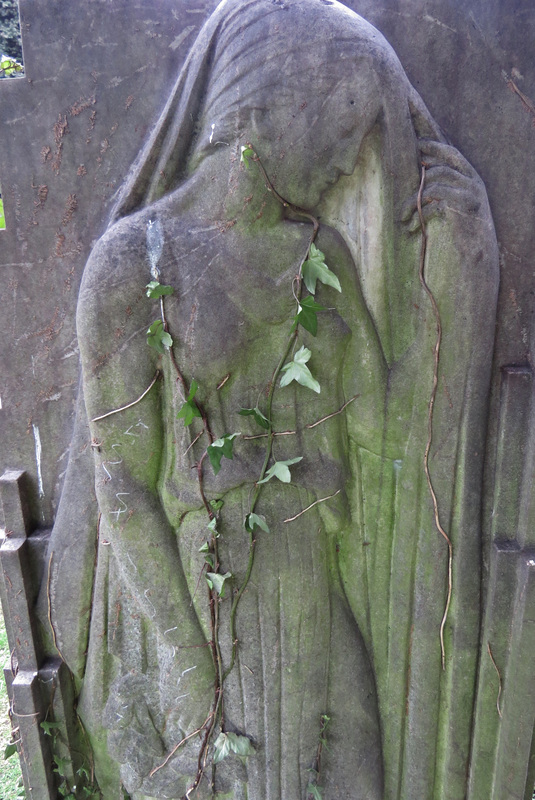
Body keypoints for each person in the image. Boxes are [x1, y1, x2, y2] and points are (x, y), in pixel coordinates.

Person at [43, 0, 499, 797]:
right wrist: (189, 665)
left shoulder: (317, 256)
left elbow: (385, 437)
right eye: (336, 125)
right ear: (264, 103)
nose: (347, 158)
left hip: (317, 612)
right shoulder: (133, 264)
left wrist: (460, 292)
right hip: (203, 606)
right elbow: (122, 484)